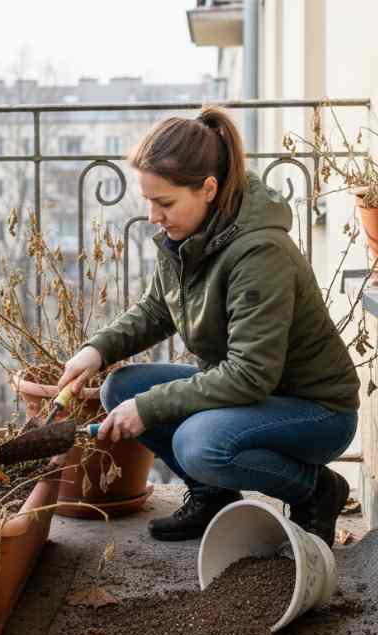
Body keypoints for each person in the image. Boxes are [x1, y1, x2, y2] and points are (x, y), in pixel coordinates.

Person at [56, 106, 359, 546]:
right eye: (149, 202)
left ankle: (317, 490)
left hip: (314, 410)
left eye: (164, 203)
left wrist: (149, 409)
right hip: (256, 395)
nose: (153, 216)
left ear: (209, 188)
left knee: (200, 444)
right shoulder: (190, 236)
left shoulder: (259, 253)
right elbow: (158, 308)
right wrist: (96, 351)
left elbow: (250, 374)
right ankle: (212, 497)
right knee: (119, 388)